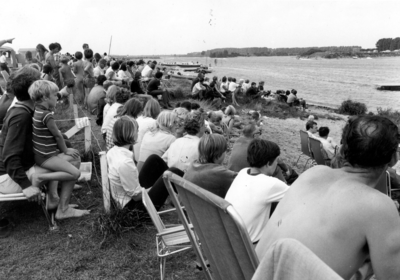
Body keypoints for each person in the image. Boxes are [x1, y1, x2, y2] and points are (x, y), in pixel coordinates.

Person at [256, 115, 400, 280]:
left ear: (343, 149)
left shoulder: (313, 173)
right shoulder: (379, 207)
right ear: (394, 158)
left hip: (255, 271)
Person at [0, 66, 88, 219]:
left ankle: (55, 197)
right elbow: (9, 156)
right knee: (73, 161)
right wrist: (26, 186)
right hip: (8, 178)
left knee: (66, 157)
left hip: (17, 169)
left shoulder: (24, 108)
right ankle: (62, 208)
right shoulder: (21, 116)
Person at [107, 116, 183, 210]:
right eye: (136, 130)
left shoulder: (113, 151)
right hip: (134, 208)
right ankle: (192, 193)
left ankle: (184, 194)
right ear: (130, 134)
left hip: (128, 197)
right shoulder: (125, 163)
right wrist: (157, 187)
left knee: (154, 159)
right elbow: (137, 197)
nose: (138, 133)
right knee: (172, 173)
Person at [225, 139, 289, 244]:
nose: (277, 164)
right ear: (268, 163)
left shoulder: (243, 172)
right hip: (250, 247)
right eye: (276, 161)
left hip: (230, 237)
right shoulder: (271, 184)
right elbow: (298, 194)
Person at [28, 80, 81, 188]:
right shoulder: (47, 115)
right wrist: (65, 150)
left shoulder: (36, 110)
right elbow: (57, 135)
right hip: (46, 157)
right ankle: (39, 177)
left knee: (73, 164)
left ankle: (56, 194)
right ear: (44, 98)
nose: (57, 97)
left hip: (40, 154)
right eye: (55, 95)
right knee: (75, 173)